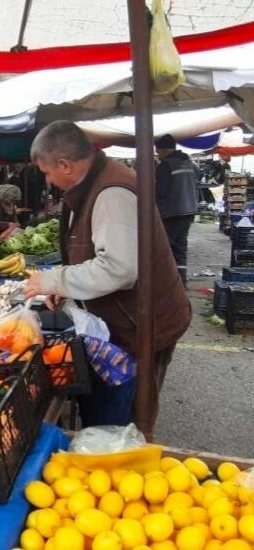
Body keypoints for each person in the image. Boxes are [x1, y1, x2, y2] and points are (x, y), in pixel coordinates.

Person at [24, 121, 190, 439]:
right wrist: (70, 290)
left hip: (143, 325)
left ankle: (128, 461)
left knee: (130, 420)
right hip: (127, 321)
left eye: (47, 172)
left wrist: (55, 280)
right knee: (118, 412)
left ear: (65, 165)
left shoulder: (112, 193)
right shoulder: (91, 184)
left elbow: (119, 268)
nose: (48, 180)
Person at [155, 134, 199, 285]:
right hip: (188, 213)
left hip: (171, 214)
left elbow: (160, 191)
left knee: (162, 250)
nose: (158, 155)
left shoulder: (166, 165)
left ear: (164, 150)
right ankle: (181, 283)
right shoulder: (188, 163)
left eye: (158, 151)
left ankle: (164, 285)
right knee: (180, 251)